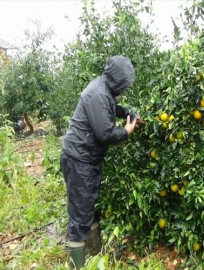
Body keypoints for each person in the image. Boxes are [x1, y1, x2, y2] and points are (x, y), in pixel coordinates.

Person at [60, 55, 142, 269]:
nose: (124, 88)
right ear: (117, 79)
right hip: (79, 159)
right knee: (79, 216)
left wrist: (128, 114)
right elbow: (105, 133)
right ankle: (76, 266)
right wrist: (126, 131)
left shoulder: (104, 89)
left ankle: (96, 255)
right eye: (124, 83)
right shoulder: (98, 93)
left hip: (87, 158)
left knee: (89, 205)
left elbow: (112, 108)